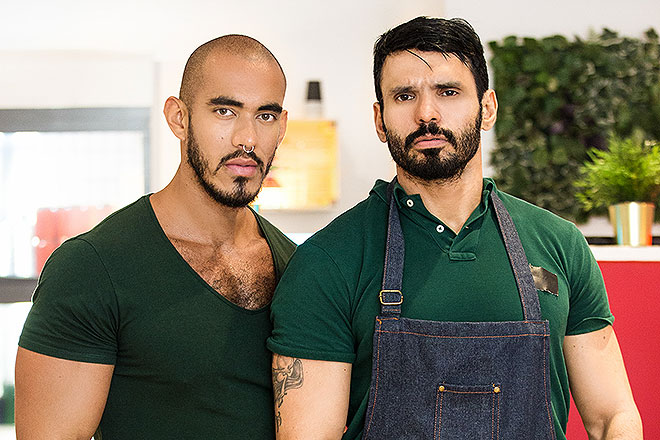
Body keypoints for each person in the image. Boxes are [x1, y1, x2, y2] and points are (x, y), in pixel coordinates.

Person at [268, 17, 642, 440]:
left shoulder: (559, 244)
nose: (426, 113)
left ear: (488, 108)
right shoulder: (328, 260)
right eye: (404, 95)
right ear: (380, 120)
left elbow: (612, 416)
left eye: (448, 92)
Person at [15, 35, 296, 439]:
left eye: (265, 116)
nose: (247, 139)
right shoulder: (91, 268)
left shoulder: (298, 266)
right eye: (224, 111)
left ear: (281, 127)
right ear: (179, 118)